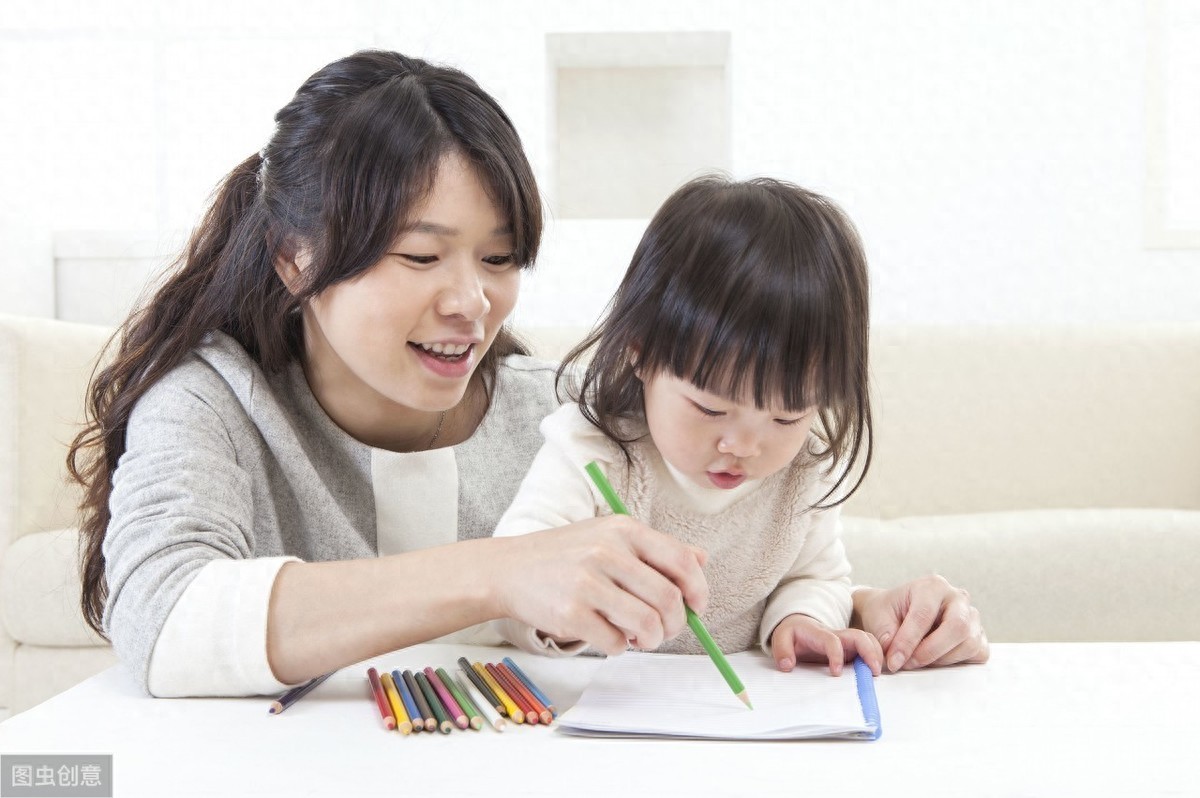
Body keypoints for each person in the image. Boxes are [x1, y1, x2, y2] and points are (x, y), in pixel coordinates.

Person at [67, 50, 985, 699]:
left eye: (500, 258)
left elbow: (715, 575)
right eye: (421, 256)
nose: (473, 302)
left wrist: (864, 612)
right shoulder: (212, 402)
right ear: (294, 256)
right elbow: (162, 619)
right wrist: (499, 574)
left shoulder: (553, 408)